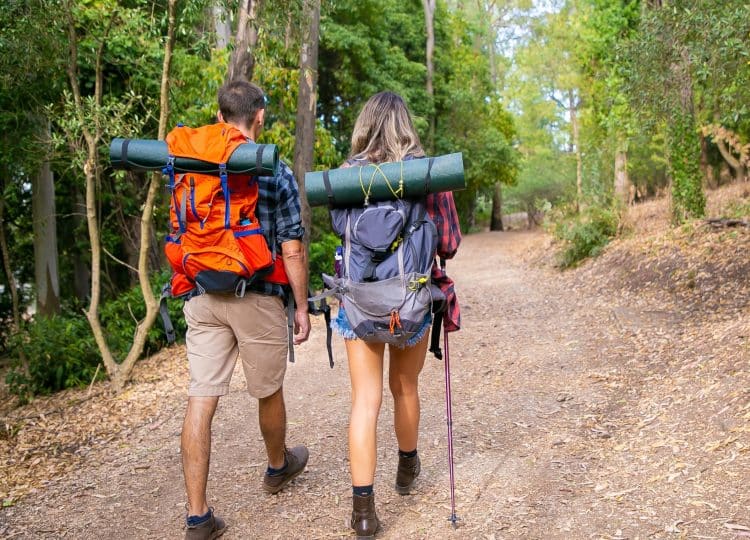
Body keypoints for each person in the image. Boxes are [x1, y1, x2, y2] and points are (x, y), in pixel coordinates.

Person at [180, 80, 311, 540]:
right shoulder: (272, 167)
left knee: (201, 397)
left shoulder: (191, 163)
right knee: (268, 388)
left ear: (219, 117)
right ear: (258, 117)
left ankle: (198, 516)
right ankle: (277, 467)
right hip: (256, 295)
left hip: (201, 294)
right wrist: (301, 307)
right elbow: (291, 246)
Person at [332, 91, 462, 538]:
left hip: (358, 304)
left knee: (364, 400)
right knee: (404, 386)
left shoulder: (347, 176)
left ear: (365, 125)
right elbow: (449, 244)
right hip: (409, 302)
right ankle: (407, 466)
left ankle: (363, 513)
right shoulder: (428, 175)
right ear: (407, 125)